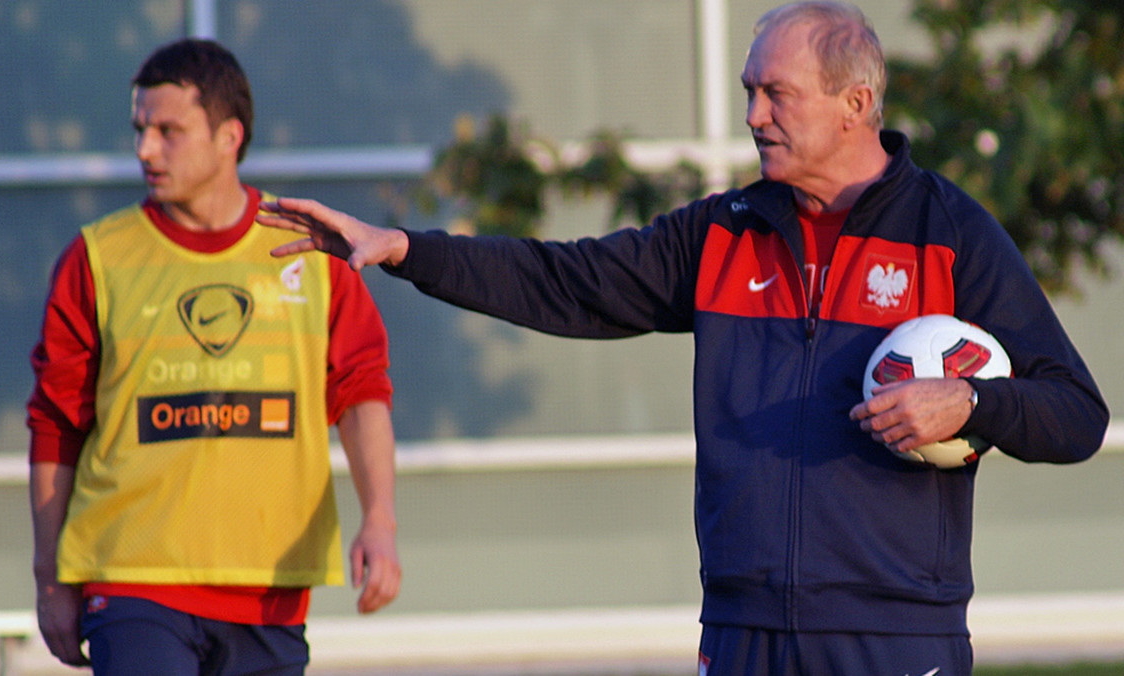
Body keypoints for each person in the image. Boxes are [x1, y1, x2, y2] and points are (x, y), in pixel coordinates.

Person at [257, 2, 1107, 674]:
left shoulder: (950, 233)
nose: (753, 115)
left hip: (892, 631)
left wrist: (968, 400)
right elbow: (568, 281)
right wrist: (408, 249)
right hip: (741, 626)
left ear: (856, 105)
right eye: (747, 91)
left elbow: (1073, 412)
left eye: (776, 93)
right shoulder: (722, 234)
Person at [27, 38, 400, 675]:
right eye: (140, 129)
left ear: (229, 136)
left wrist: (381, 521)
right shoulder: (97, 258)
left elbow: (361, 393)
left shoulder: (312, 253)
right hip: (131, 580)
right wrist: (50, 578)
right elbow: (55, 425)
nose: (146, 149)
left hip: (269, 591)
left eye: (169, 131)